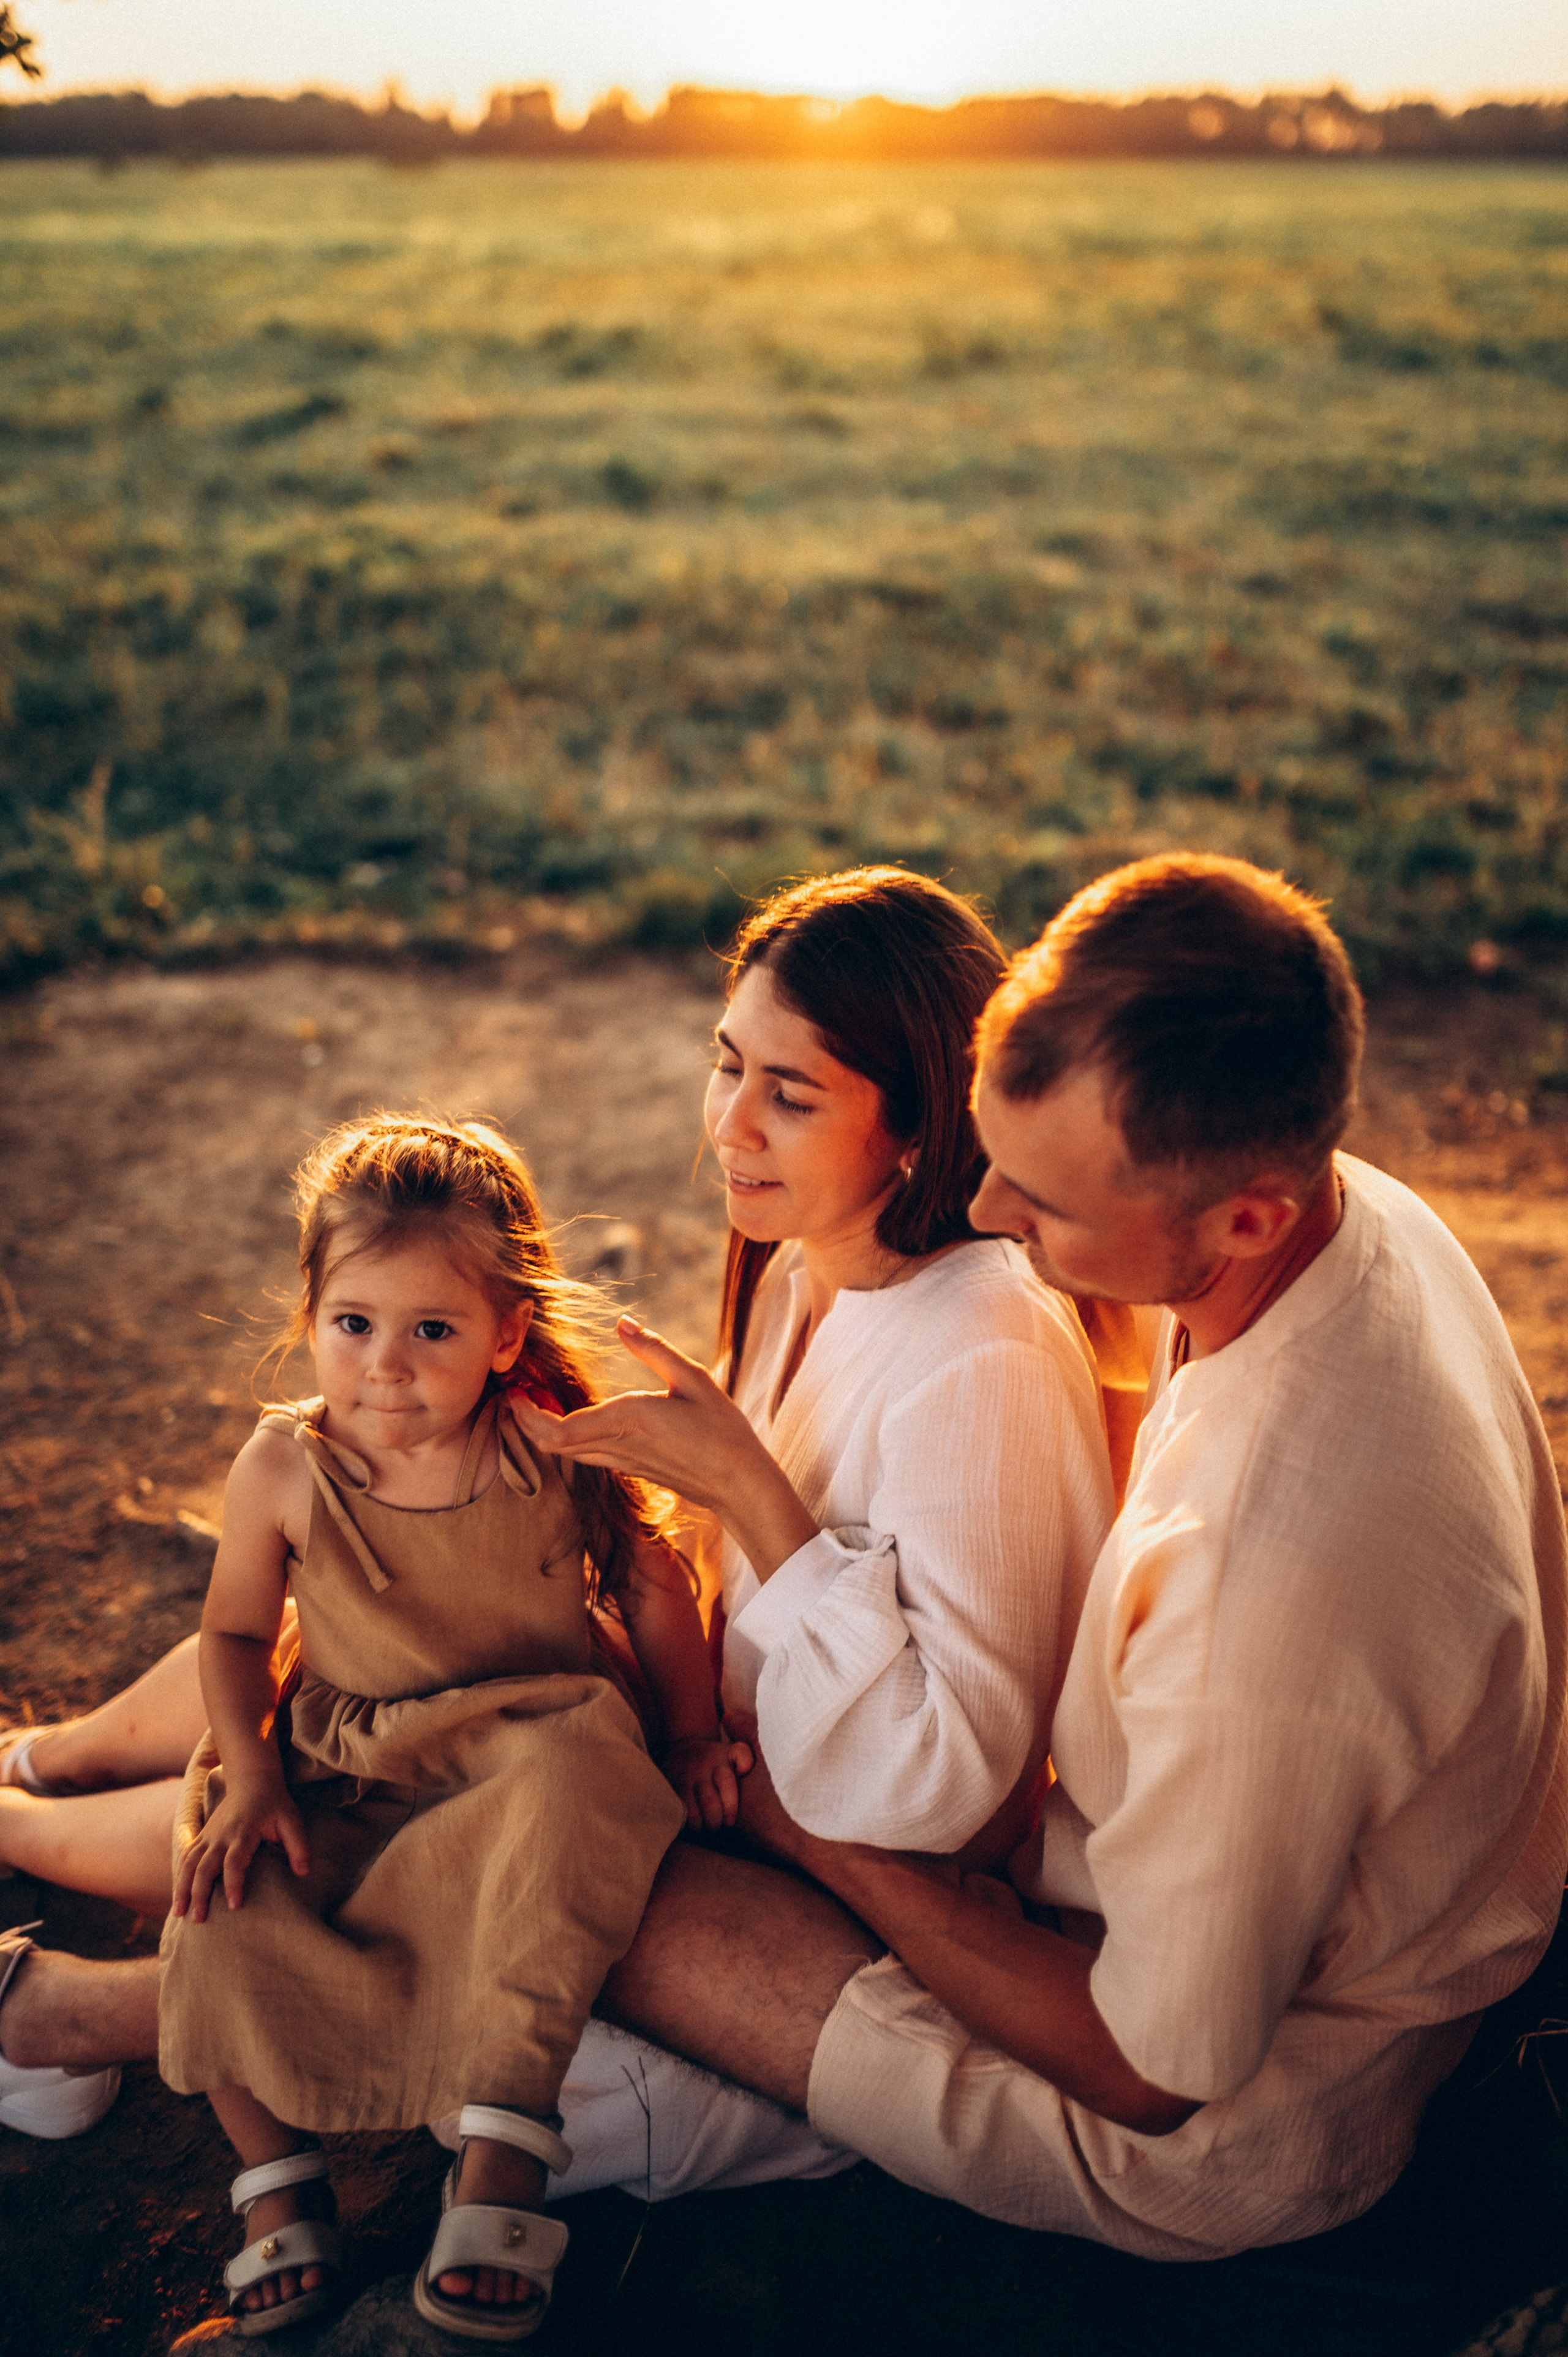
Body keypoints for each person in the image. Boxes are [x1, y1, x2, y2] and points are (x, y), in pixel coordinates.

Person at [0, 870, 1117, 2203]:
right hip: (693, 1725)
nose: (729, 1128)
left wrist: (746, 1502)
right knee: (371, 1635)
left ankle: (60, 1977)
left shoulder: (977, 1353)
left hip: (788, 1832)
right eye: (727, 1067)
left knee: (397, 1810)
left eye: (790, 1094)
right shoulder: (812, 1259)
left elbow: (953, 1780)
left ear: (921, 1120)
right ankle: (33, 1778)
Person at [510, 851, 1568, 2258]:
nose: (990, 1222)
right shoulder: (1343, 1207)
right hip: (1206, 1866)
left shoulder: (1267, 1599)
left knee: (583, 1886)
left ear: (1243, 1214)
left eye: (1046, 1204)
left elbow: (1150, 2067)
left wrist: (834, 1854)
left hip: (1242, 2104)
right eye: (992, 1152)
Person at [157, 1112, 725, 2341]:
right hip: (348, 1761)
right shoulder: (284, 1464)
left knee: (574, 1780)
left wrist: (691, 1734)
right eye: (354, 1323)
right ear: (310, 1310)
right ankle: (276, 2181)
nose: (386, 1365)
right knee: (222, 1880)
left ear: (505, 1332)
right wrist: (253, 1773)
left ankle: (504, 2147)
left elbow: (650, 1582)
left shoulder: (548, 1446)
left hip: (528, 1750)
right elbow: (236, 1638)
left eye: (433, 1330)